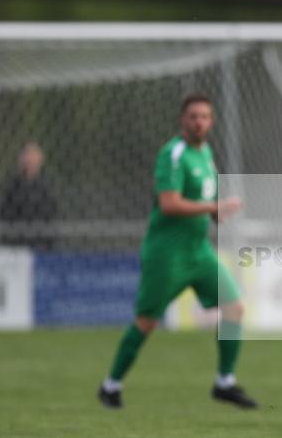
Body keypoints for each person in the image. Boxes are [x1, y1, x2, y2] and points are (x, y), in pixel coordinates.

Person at [98, 93, 258, 410]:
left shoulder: (206, 153)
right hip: (167, 253)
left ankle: (224, 382)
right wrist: (213, 206)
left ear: (211, 122)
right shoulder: (173, 154)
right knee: (146, 322)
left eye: (205, 117)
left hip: (198, 251)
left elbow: (202, 200)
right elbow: (169, 203)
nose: (199, 122)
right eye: (193, 116)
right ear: (182, 120)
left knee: (234, 307)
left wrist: (216, 214)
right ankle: (110, 385)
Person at [0, 141, 58, 249]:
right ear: (21, 159)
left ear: (41, 159)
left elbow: (51, 212)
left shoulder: (49, 184)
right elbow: (5, 212)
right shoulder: (11, 185)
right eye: (27, 155)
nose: (30, 159)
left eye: (34, 156)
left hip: (43, 242)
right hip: (16, 242)